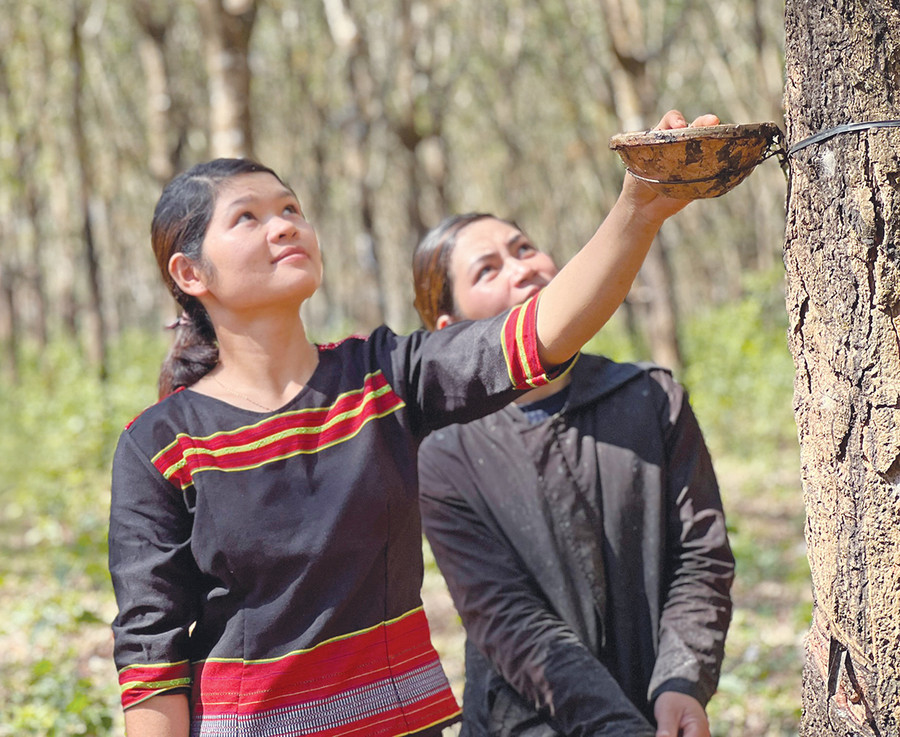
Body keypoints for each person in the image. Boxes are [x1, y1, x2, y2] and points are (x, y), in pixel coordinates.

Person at [107, 109, 718, 737]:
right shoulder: (160, 444)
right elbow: (150, 650)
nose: (285, 226)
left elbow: (538, 334)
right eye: (249, 217)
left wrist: (639, 208)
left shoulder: (383, 375)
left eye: (291, 209)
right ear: (191, 274)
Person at [412, 213, 735, 737]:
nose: (523, 270)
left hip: (659, 709)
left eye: (524, 248)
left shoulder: (651, 398)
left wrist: (682, 680)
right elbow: (506, 619)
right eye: (487, 270)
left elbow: (701, 556)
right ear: (451, 329)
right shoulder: (446, 452)